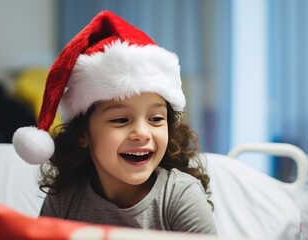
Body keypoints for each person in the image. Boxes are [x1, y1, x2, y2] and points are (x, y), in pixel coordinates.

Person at [12, 10, 217, 234]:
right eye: (121, 120)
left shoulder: (180, 196)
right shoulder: (64, 199)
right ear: (83, 135)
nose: (142, 132)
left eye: (156, 119)